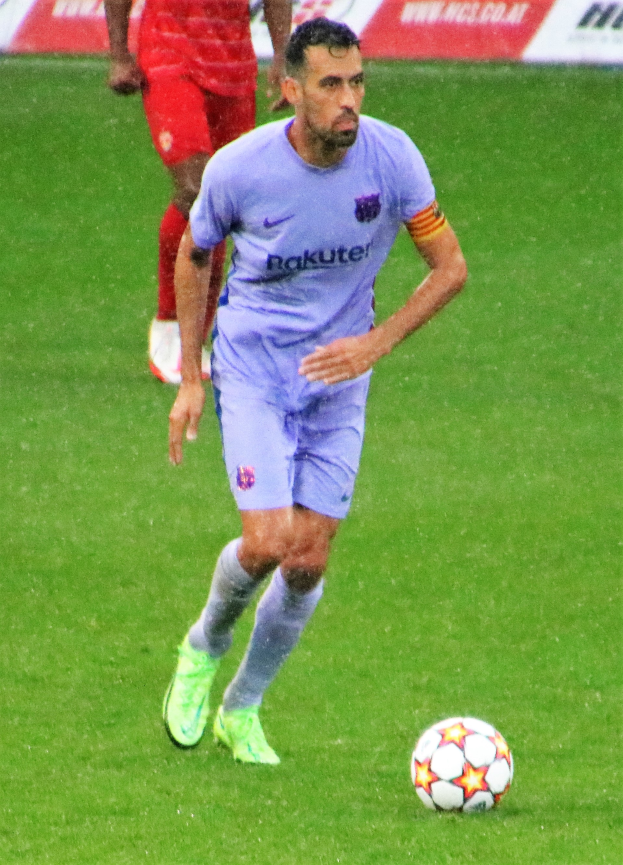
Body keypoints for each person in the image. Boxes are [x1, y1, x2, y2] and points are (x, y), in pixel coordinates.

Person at [163, 17, 468, 763]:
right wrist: (192, 377)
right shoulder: (242, 167)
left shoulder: (392, 159)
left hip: (339, 379)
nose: (348, 101)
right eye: (330, 85)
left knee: (307, 560)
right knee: (266, 544)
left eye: (356, 81)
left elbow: (449, 265)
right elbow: (194, 254)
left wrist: (375, 342)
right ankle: (204, 645)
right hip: (257, 368)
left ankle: (243, 707)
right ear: (289, 89)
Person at [104, 0, 292, 384]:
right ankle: (169, 322)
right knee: (195, 189)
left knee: (225, 202)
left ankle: (196, 341)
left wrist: (282, 56)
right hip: (169, 55)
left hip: (234, 64)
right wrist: (120, 54)